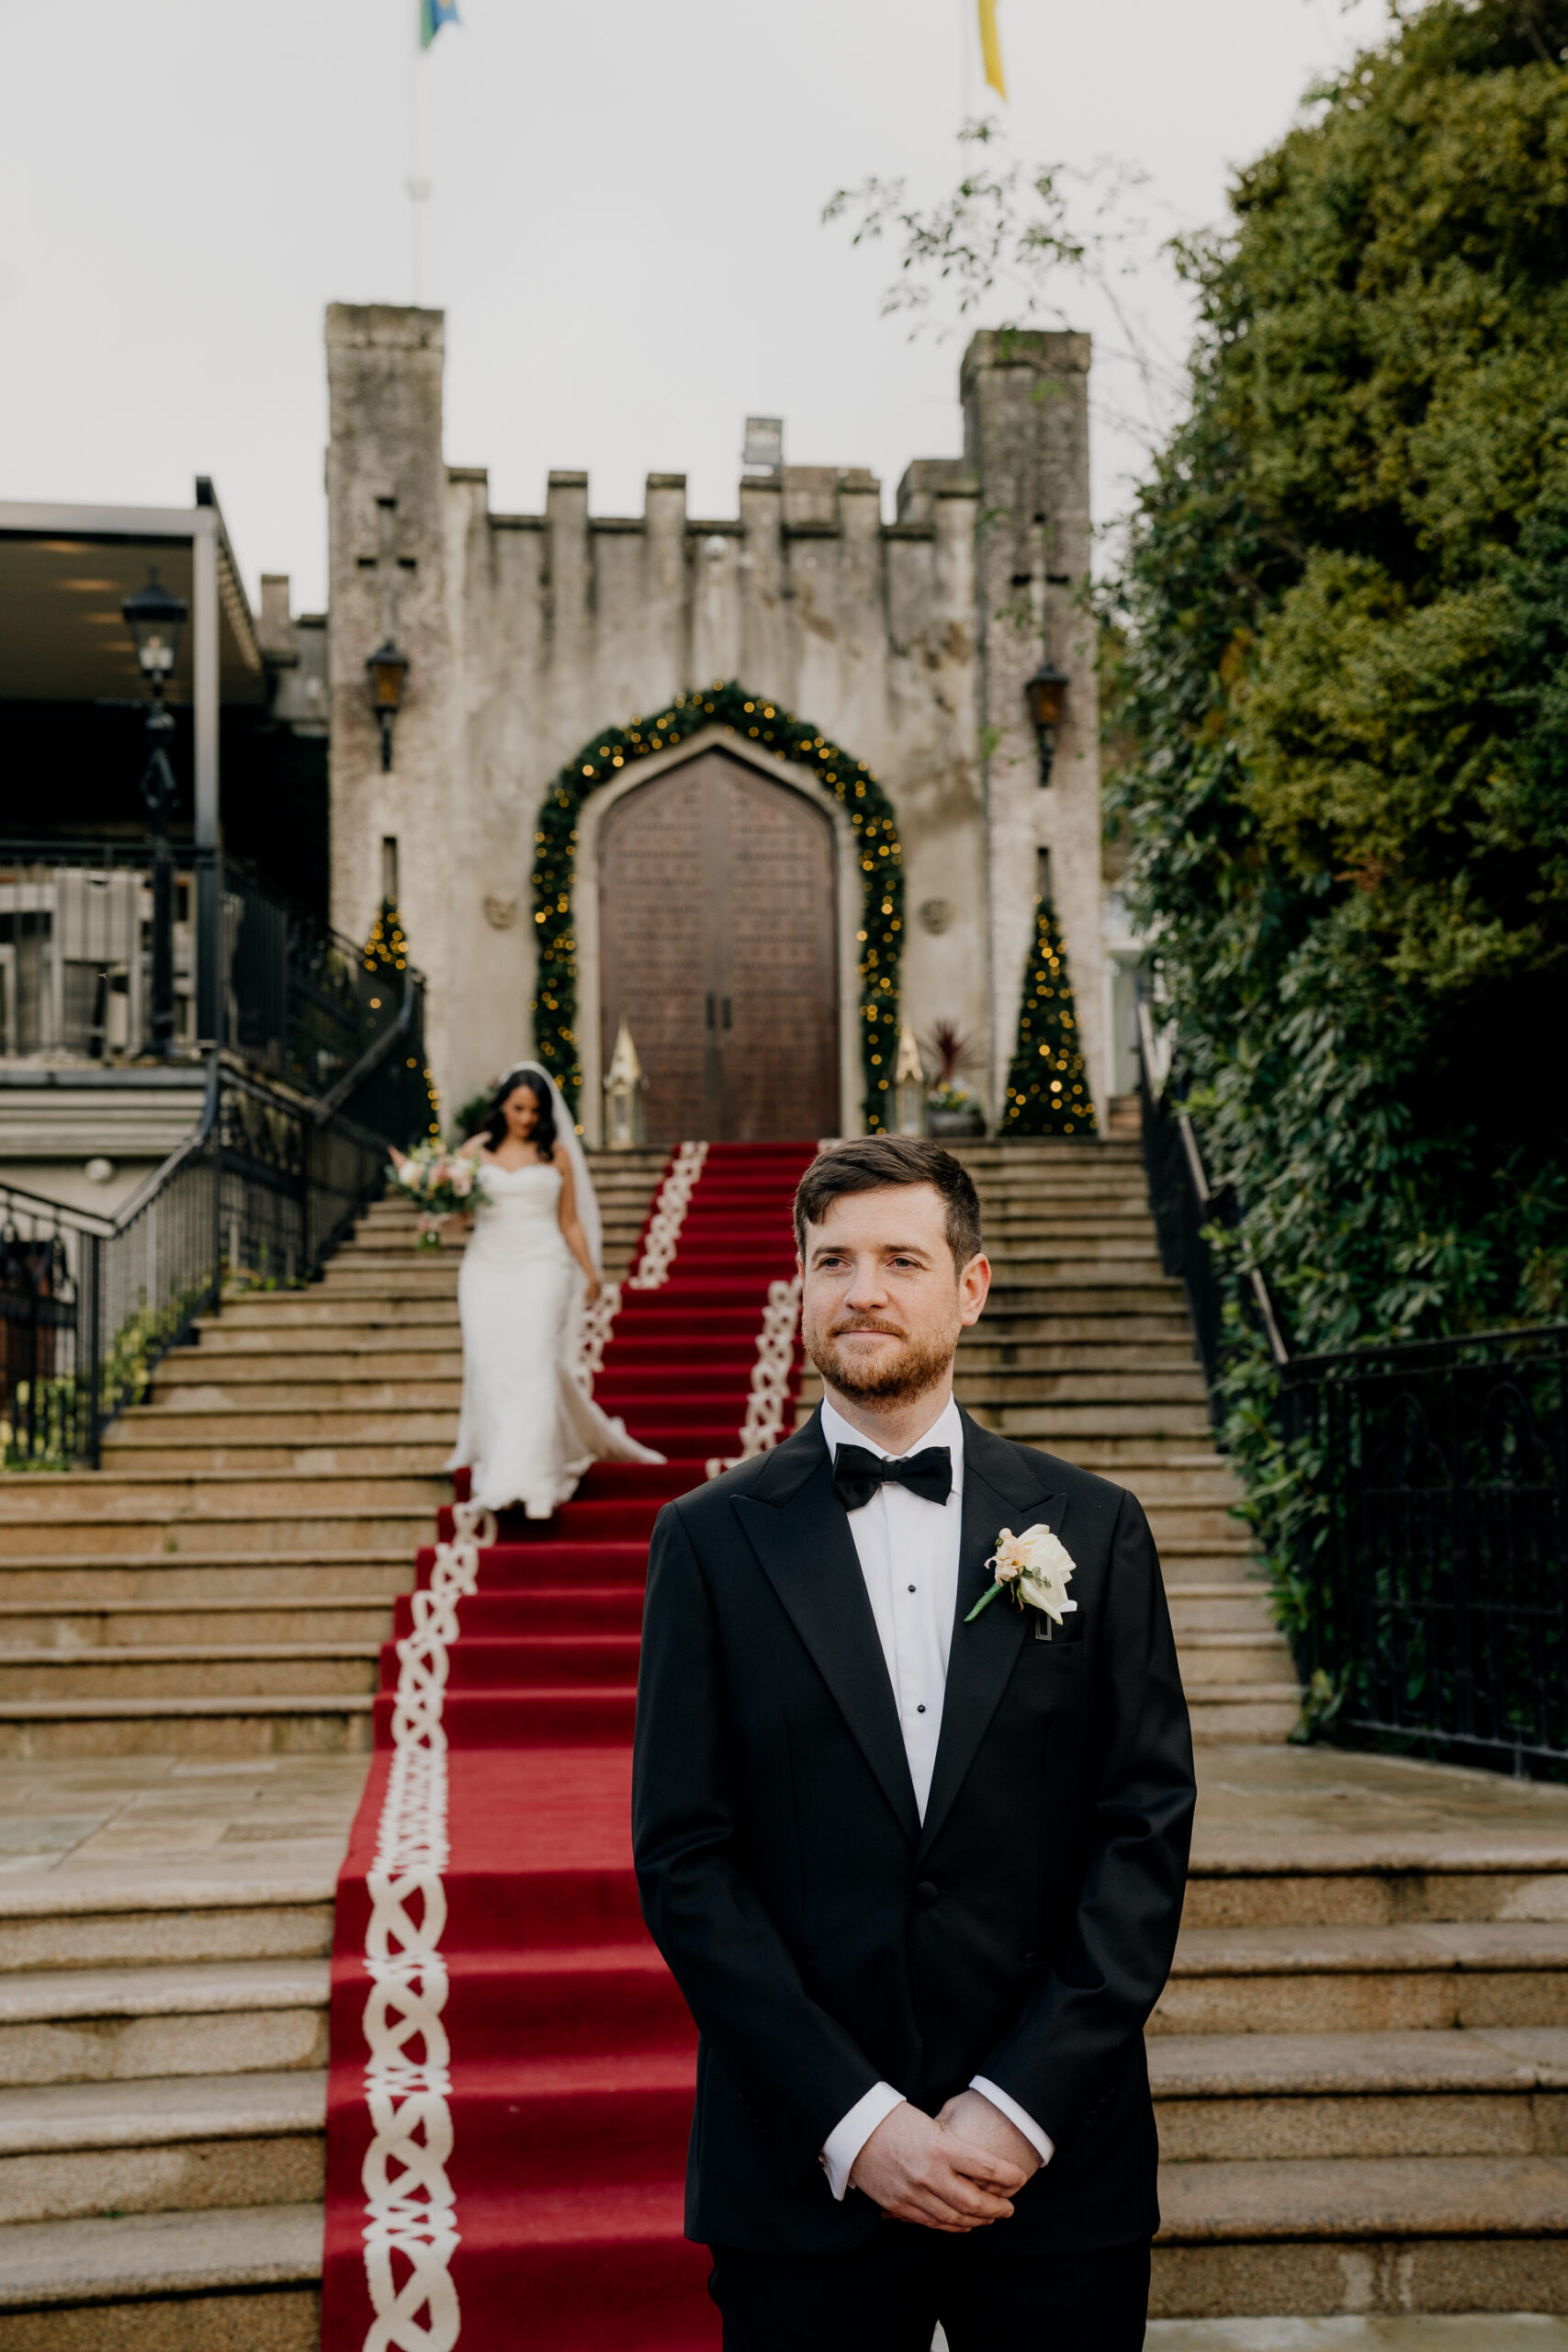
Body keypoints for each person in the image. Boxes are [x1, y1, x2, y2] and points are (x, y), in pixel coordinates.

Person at [632, 1136, 1194, 2351]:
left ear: (969, 1286)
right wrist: (857, 2122)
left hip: (1052, 2168)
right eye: (830, 1261)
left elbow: (1140, 1831)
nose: (861, 1291)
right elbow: (686, 1858)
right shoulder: (707, 1543)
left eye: (898, 1258)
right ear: (800, 1287)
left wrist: (1015, 2107)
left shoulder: (1091, 1531)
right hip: (802, 2173)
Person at [412, 1062, 662, 1518]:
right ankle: (500, 1472)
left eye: (533, 1110)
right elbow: (462, 1215)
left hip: (542, 1265)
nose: (526, 1118)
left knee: (532, 1364)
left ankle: (532, 1479)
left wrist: (590, 1272)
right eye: (518, 1108)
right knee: (492, 1369)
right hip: (485, 1269)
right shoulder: (475, 1151)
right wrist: (435, 1217)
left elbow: (568, 1221)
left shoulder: (557, 1154)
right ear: (503, 1106)